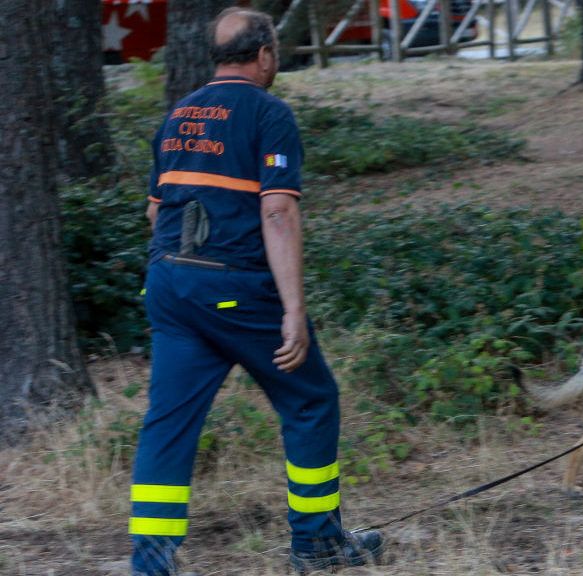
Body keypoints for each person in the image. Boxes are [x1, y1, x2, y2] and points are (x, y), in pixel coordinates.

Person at [129, 8, 382, 575]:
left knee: (168, 423)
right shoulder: (269, 114)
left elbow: (154, 210)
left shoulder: (178, 115)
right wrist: (293, 308)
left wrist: (189, 279)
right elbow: (276, 211)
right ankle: (317, 545)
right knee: (311, 400)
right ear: (265, 54)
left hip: (171, 285)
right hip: (236, 289)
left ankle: (150, 563)